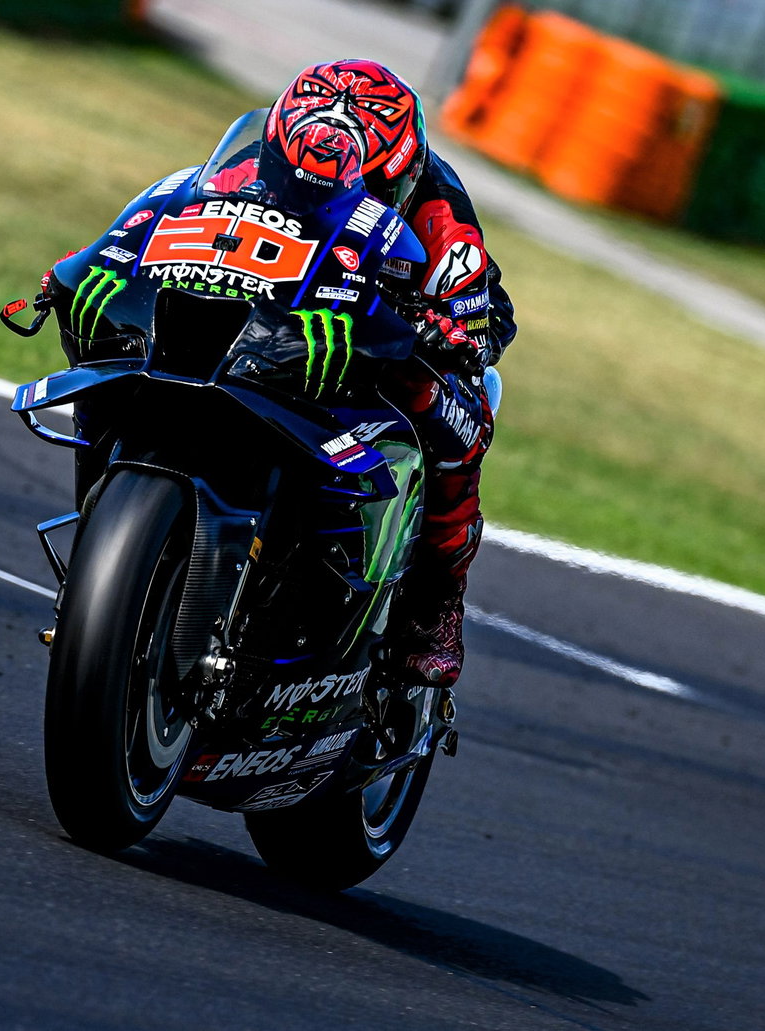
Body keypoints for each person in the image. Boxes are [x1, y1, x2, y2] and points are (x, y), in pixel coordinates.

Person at [77, 60, 515, 689]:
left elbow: (479, 305)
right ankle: (115, 535)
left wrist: (450, 328)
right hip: (265, 325)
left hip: (374, 338)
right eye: (292, 175)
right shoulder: (244, 165)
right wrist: (90, 266)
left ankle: (436, 603)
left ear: (398, 173)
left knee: (452, 412)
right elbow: (156, 221)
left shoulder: (438, 212)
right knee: (112, 339)